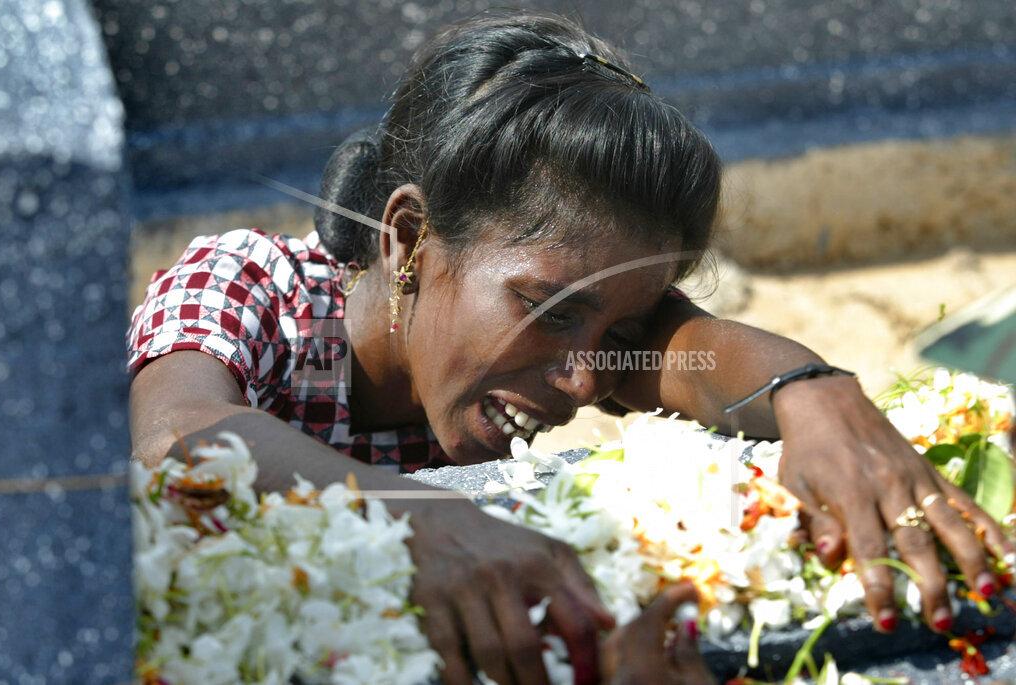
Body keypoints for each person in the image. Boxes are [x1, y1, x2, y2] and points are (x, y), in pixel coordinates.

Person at [127, 10, 1013, 684]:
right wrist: (420, 512)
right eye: (547, 311)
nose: (586, 375)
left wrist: (814, 394)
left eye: (615, 333)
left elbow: (701, 357)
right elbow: (179, 433)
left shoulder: (575, 339)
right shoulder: (249, 288)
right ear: (407, 238)